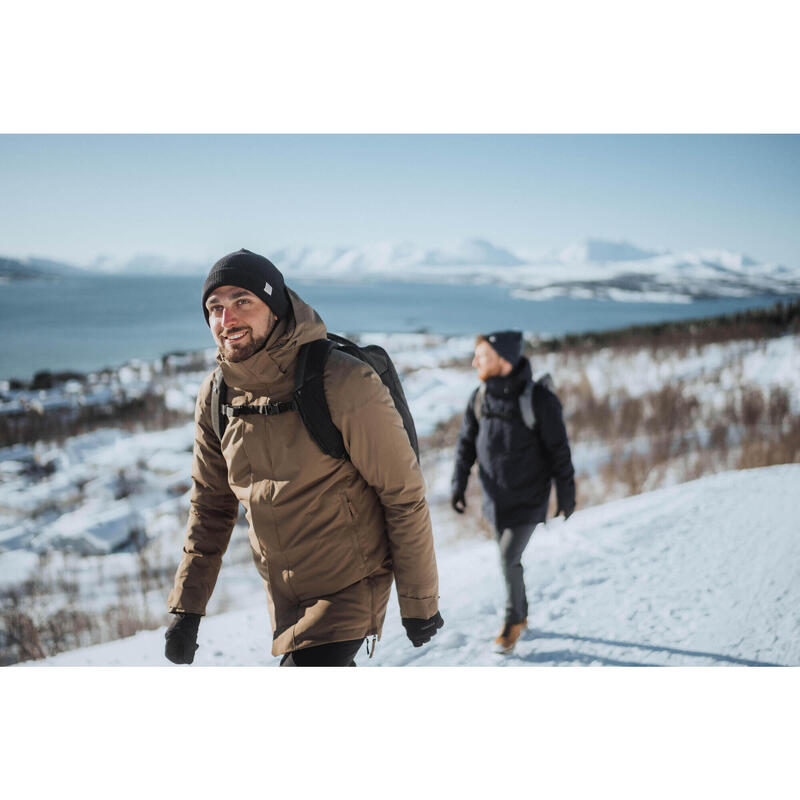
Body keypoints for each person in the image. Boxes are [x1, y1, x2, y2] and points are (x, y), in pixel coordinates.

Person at [164, 248, 442, 666]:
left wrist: (419, 602)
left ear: (275, 308)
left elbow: (403, 494)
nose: (227, 320)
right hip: (284, 595)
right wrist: (186, 611)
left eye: (243, 301)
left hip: (352, 583)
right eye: (215, 307)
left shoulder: (341, 379)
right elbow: (211, 507)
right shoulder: (216, 395)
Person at [450, 331, 575, 653]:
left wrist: (566, 493)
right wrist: (458, 484)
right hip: (496, 499)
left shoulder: (539, 400)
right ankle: (522, 612)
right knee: (510, 561)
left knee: (508, 558)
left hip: (529, 498)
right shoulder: (479, 397)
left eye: (483, 356)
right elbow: (466, 444)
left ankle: (513, 621)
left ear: (503, 360)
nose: (475, 361)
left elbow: (559, 450)